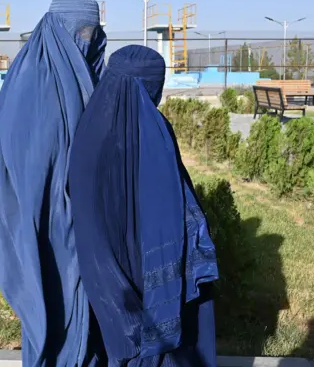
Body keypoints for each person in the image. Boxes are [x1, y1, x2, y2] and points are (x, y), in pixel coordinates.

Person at [68, 45, 219, 366]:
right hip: (142, 283)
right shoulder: (151, 132)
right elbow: (171, 216)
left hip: (102, 280)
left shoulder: (88, 127)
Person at [0, 0, 107, 366]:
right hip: (44, 223)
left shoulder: (81, 76)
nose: (85, 40)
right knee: (52, 308)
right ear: (55, 29)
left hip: (75, 225)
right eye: (80, 31)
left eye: (92, 32)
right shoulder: (33, 85)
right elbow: (27, 168)